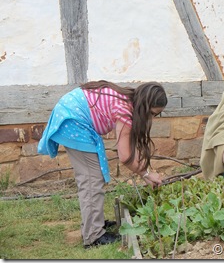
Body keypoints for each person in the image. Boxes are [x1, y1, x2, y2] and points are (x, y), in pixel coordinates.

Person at [37, 80, 168, 249]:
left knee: (93, 177)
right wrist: (146, 174)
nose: (152, 118)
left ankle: (94, 224)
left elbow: (129, 146)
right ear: (145, 105)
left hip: (74, 115)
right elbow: (125, 156)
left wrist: (145, 172)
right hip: (73, 121)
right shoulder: (125, 110)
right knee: (91, 179)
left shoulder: (128, 100)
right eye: (152, 114)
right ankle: (93, 236)